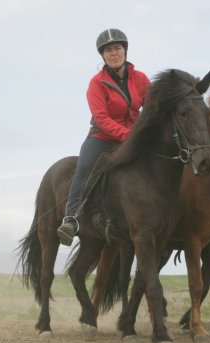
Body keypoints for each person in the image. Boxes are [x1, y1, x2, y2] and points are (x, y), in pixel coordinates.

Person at [57, 28, 151, 246]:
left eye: (117, 48)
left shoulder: (141, 78)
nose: (114, 53)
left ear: (125, 51)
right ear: (103, 56)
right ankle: (71, 219)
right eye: (108, 50)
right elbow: (101, 118)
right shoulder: (96, 83)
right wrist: (128, 135)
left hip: (133, 137)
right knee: (84, 167)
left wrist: (146, 133)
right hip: (102, 138)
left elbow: (152, 108)